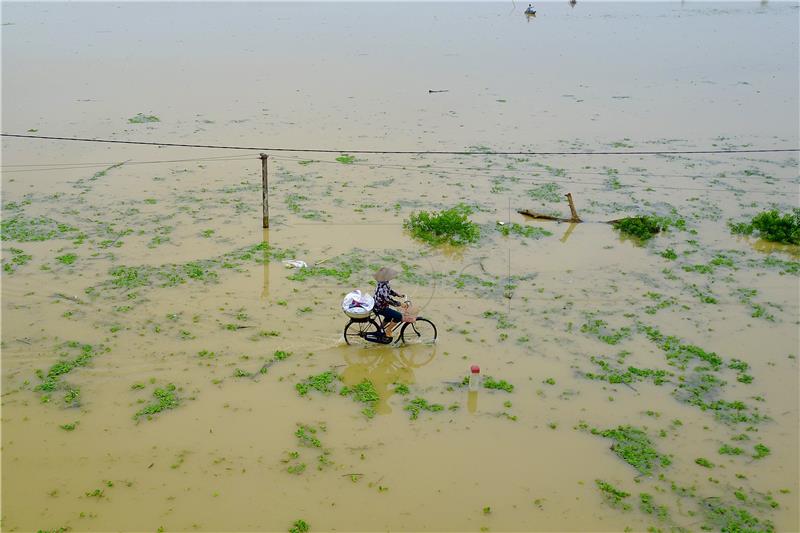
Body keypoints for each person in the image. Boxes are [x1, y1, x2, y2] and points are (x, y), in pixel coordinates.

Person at [373, 267, 405, 339]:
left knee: (389, 316)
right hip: (380, 307)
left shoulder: (384, 282)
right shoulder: (383, 286)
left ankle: (379, 330)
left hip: (379, 305)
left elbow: (389, 291)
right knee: (399, 316)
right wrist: (399, 304)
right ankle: (388, 330)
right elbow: (386, 299)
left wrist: (397, 295)